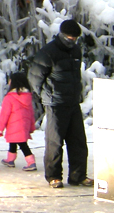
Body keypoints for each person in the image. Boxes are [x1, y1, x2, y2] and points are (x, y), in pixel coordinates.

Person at [28, 19, 91, 189]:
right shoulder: (48, 52)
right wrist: (46, 96)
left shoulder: (76, 51)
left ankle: (78, 176)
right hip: (55, 104)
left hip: (73, 102)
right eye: (70, 38)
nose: (73, 41)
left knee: (78, 142)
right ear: (62, 35)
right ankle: (54, 176)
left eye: (75, 38)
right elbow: (34, 78)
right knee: (55, 142)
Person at [0, 71, 37, 171]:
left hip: (14, 125)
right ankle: (10, 160)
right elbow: (31, 113)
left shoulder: (9, 98)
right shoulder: (27, 97)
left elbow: (4, 114)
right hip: (24, 125)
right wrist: (31, 127)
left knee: (22, 144)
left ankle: (31, 162)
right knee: (13, 141)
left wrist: (0, 129)